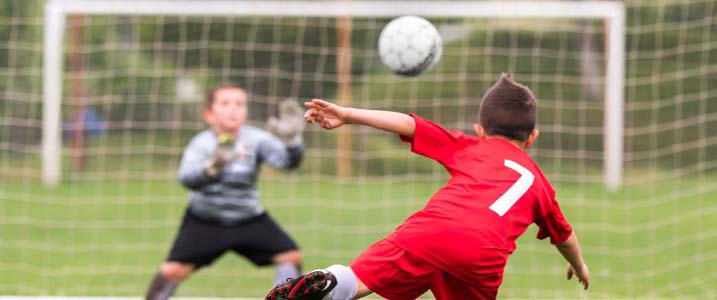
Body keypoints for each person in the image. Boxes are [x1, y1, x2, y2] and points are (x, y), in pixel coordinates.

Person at [267, 73, 588, 300]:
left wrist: (348, 114)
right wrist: (579, 266)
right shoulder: (539, 184)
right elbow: (565, 236)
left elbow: (411, 123)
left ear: (480, 130)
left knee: (361, 279)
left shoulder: (471, 146)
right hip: (481, 256)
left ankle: (334, 282)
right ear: (533, 137)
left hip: (427, 233)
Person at [146, 85, 308, 300]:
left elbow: (288, 163)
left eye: (239, 104)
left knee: (290, 256)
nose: (233, 109)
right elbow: (186, 179)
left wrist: (293, 142)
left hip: (249, 218)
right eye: (225, 104)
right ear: (209, 114)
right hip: (205, 220)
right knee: (172, 271)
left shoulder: (256, 139)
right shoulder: (201, 144)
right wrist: (213, 167)